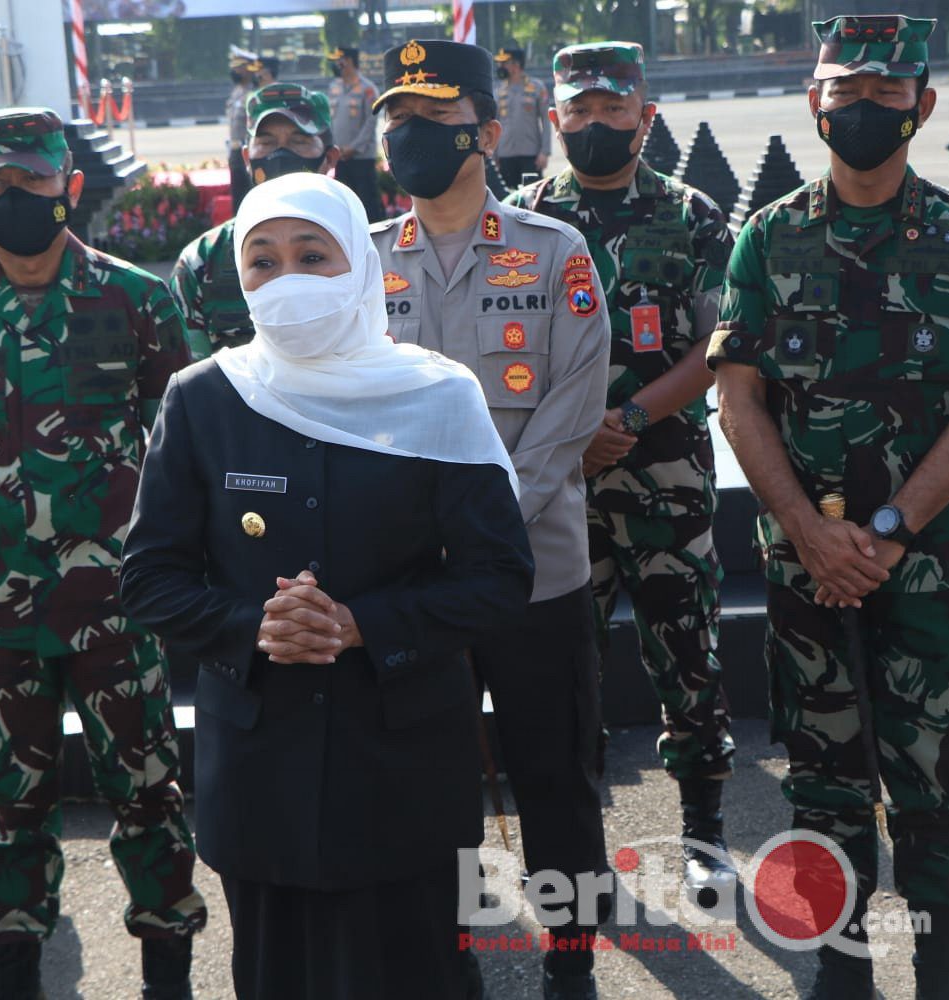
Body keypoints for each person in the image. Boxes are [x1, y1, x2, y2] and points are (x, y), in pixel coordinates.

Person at [123, 171, 534, 1000]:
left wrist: (361, 625)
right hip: (262, 765)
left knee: (420, 974)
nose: (288, 282)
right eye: (262, 263)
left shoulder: (438, 395)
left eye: (313, 256)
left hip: (403, 760)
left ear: (359, 268)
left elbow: (499, 578)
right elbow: (149, 580)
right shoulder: (203, 398)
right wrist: (254, 628)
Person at [710, 15, 949, 1000]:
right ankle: (840, 964)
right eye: (845, 91)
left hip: (924, 563)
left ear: (924, 108)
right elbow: (740, 400)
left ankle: (941, 963)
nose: (863, 109)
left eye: (886, 95)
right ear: (814, 102)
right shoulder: (770, 237)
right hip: (808, 564)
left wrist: (888, 531)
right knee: (822, 774)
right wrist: (810, 529)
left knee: (933, 774)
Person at [0, 107, 206, 999]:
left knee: (148, 790)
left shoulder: (137, 299)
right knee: (6, 802)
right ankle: (16, 960)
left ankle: (167, 964)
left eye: (34, 180)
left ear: (69, 187)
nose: (17, 196)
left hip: (116, 600)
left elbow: (174, 437)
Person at [370, 39, 612, 1000]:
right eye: (398, 122)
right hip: (407, 576)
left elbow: (574, 401)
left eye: (433, 119)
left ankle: (572, 960)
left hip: (530, 568)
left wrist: (488, 522)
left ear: (486, 129)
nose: (412, 137)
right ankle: (450, 955)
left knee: (552, 775)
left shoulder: (554, 252)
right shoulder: (366, 262)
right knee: (430, 784)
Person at [507, 40, 739, 904]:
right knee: (567, 667)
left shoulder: (694, 215)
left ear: (646, 114)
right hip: (555, 484)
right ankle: (582, 841)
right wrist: (575, 438)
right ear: (556, 117)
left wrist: (631, 417)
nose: (596, 124)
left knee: (688, 651)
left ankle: (705, 828)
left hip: (665, 473)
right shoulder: (522, 218)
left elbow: (720, 345)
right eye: (580, 110)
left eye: (614, 109)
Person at [171, 82, 339, 354]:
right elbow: (194, 375)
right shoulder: (202, 261)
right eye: (267, 142)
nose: (281, 154)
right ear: (248, 158)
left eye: (299, 141)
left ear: (330, 158)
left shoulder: (359, 248)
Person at [327, 45, 385, 221]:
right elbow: (330, 119)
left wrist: (354, 147)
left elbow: (371, 122)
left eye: (340, 61)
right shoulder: (334, 87)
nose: (337, 65)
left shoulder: (368, 89)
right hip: (340, 156)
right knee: (343, 202)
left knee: (367, 201)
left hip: (361, 156)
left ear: (349, 61)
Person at [494, 43, 552, 190]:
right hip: (505, 156)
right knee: (507, 199)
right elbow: (494, 124)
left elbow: (546, 121)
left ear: (516, 65)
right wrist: (494, 156)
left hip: (531, 155)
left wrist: (544, 152)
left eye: (504, 63)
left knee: (532, 197)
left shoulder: (537, 87)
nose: (500, 66)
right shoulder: (498, 92)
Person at [227, 52, 258, 213]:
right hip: (234, 150)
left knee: (247, 197)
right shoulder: (237, 91)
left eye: (239, 68)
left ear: (248, 69)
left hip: (247, 151)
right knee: (237, 199)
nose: (235, 72)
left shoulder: (254, 93)